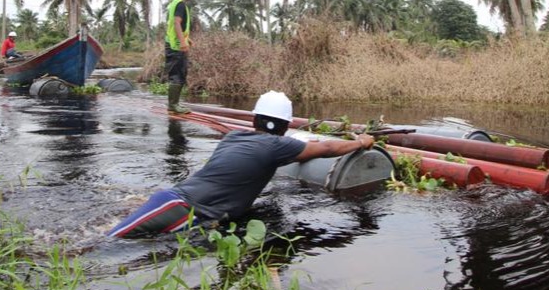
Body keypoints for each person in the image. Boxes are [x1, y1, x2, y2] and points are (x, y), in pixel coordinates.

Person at [108, 90, 376, 238]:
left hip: (173, 202)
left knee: (115, 236)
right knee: (106, 243)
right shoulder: (278, 145)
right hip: (182, 210)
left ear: (254, 120)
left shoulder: (234, 136)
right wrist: (361, 143)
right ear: (284, 126)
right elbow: (327, 148)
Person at [165, 0, 195, 114]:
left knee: (178, 74)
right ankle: (173, 105)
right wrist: (182, 42)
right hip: (176, 46)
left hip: (174, 44)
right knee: (177, 75)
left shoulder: (174, 3)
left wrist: (187, 39)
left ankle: (174, 103)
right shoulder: (181, 5)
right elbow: (177, 23)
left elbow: (177, 25)